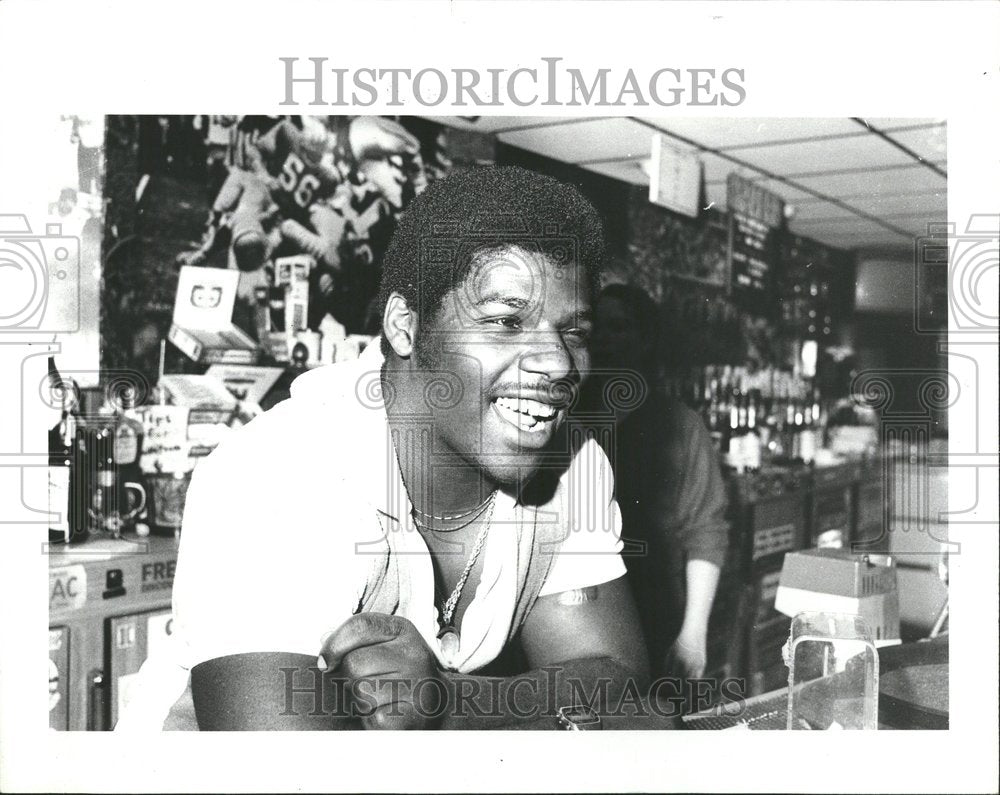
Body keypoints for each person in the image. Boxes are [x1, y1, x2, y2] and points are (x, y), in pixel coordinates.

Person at [117, 166, 651, 731]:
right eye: (505, 321)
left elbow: (615, 679)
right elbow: (284, 774)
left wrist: (450, 702)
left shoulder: (571, 462)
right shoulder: (278, 471)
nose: (559, 363)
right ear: (404, 326)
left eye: (575, 332)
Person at [583, 283, 729, 681]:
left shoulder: (680, 425)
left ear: (645, 339)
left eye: (621, 327)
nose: (606, 340)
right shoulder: (560, 419)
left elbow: (706, 531)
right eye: (598, 327)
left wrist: (693, 633)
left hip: (654, 609)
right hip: (572, 615)